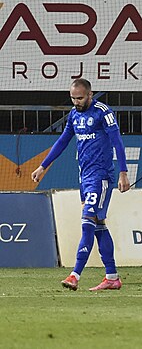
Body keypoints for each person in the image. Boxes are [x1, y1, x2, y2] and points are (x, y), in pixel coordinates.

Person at [32, 78, 130, 291]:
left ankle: (75, 275)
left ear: (90, 94)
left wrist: (123, 172)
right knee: (99, 226)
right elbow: (62, 142)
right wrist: (43, 167)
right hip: (84, 177)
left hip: (101, 176)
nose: (76, 102)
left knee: (87, 221)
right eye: (73, 98)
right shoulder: (74, 115)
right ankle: (112, 277)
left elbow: (117, 142)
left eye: (80, 98)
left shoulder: (103, 112)